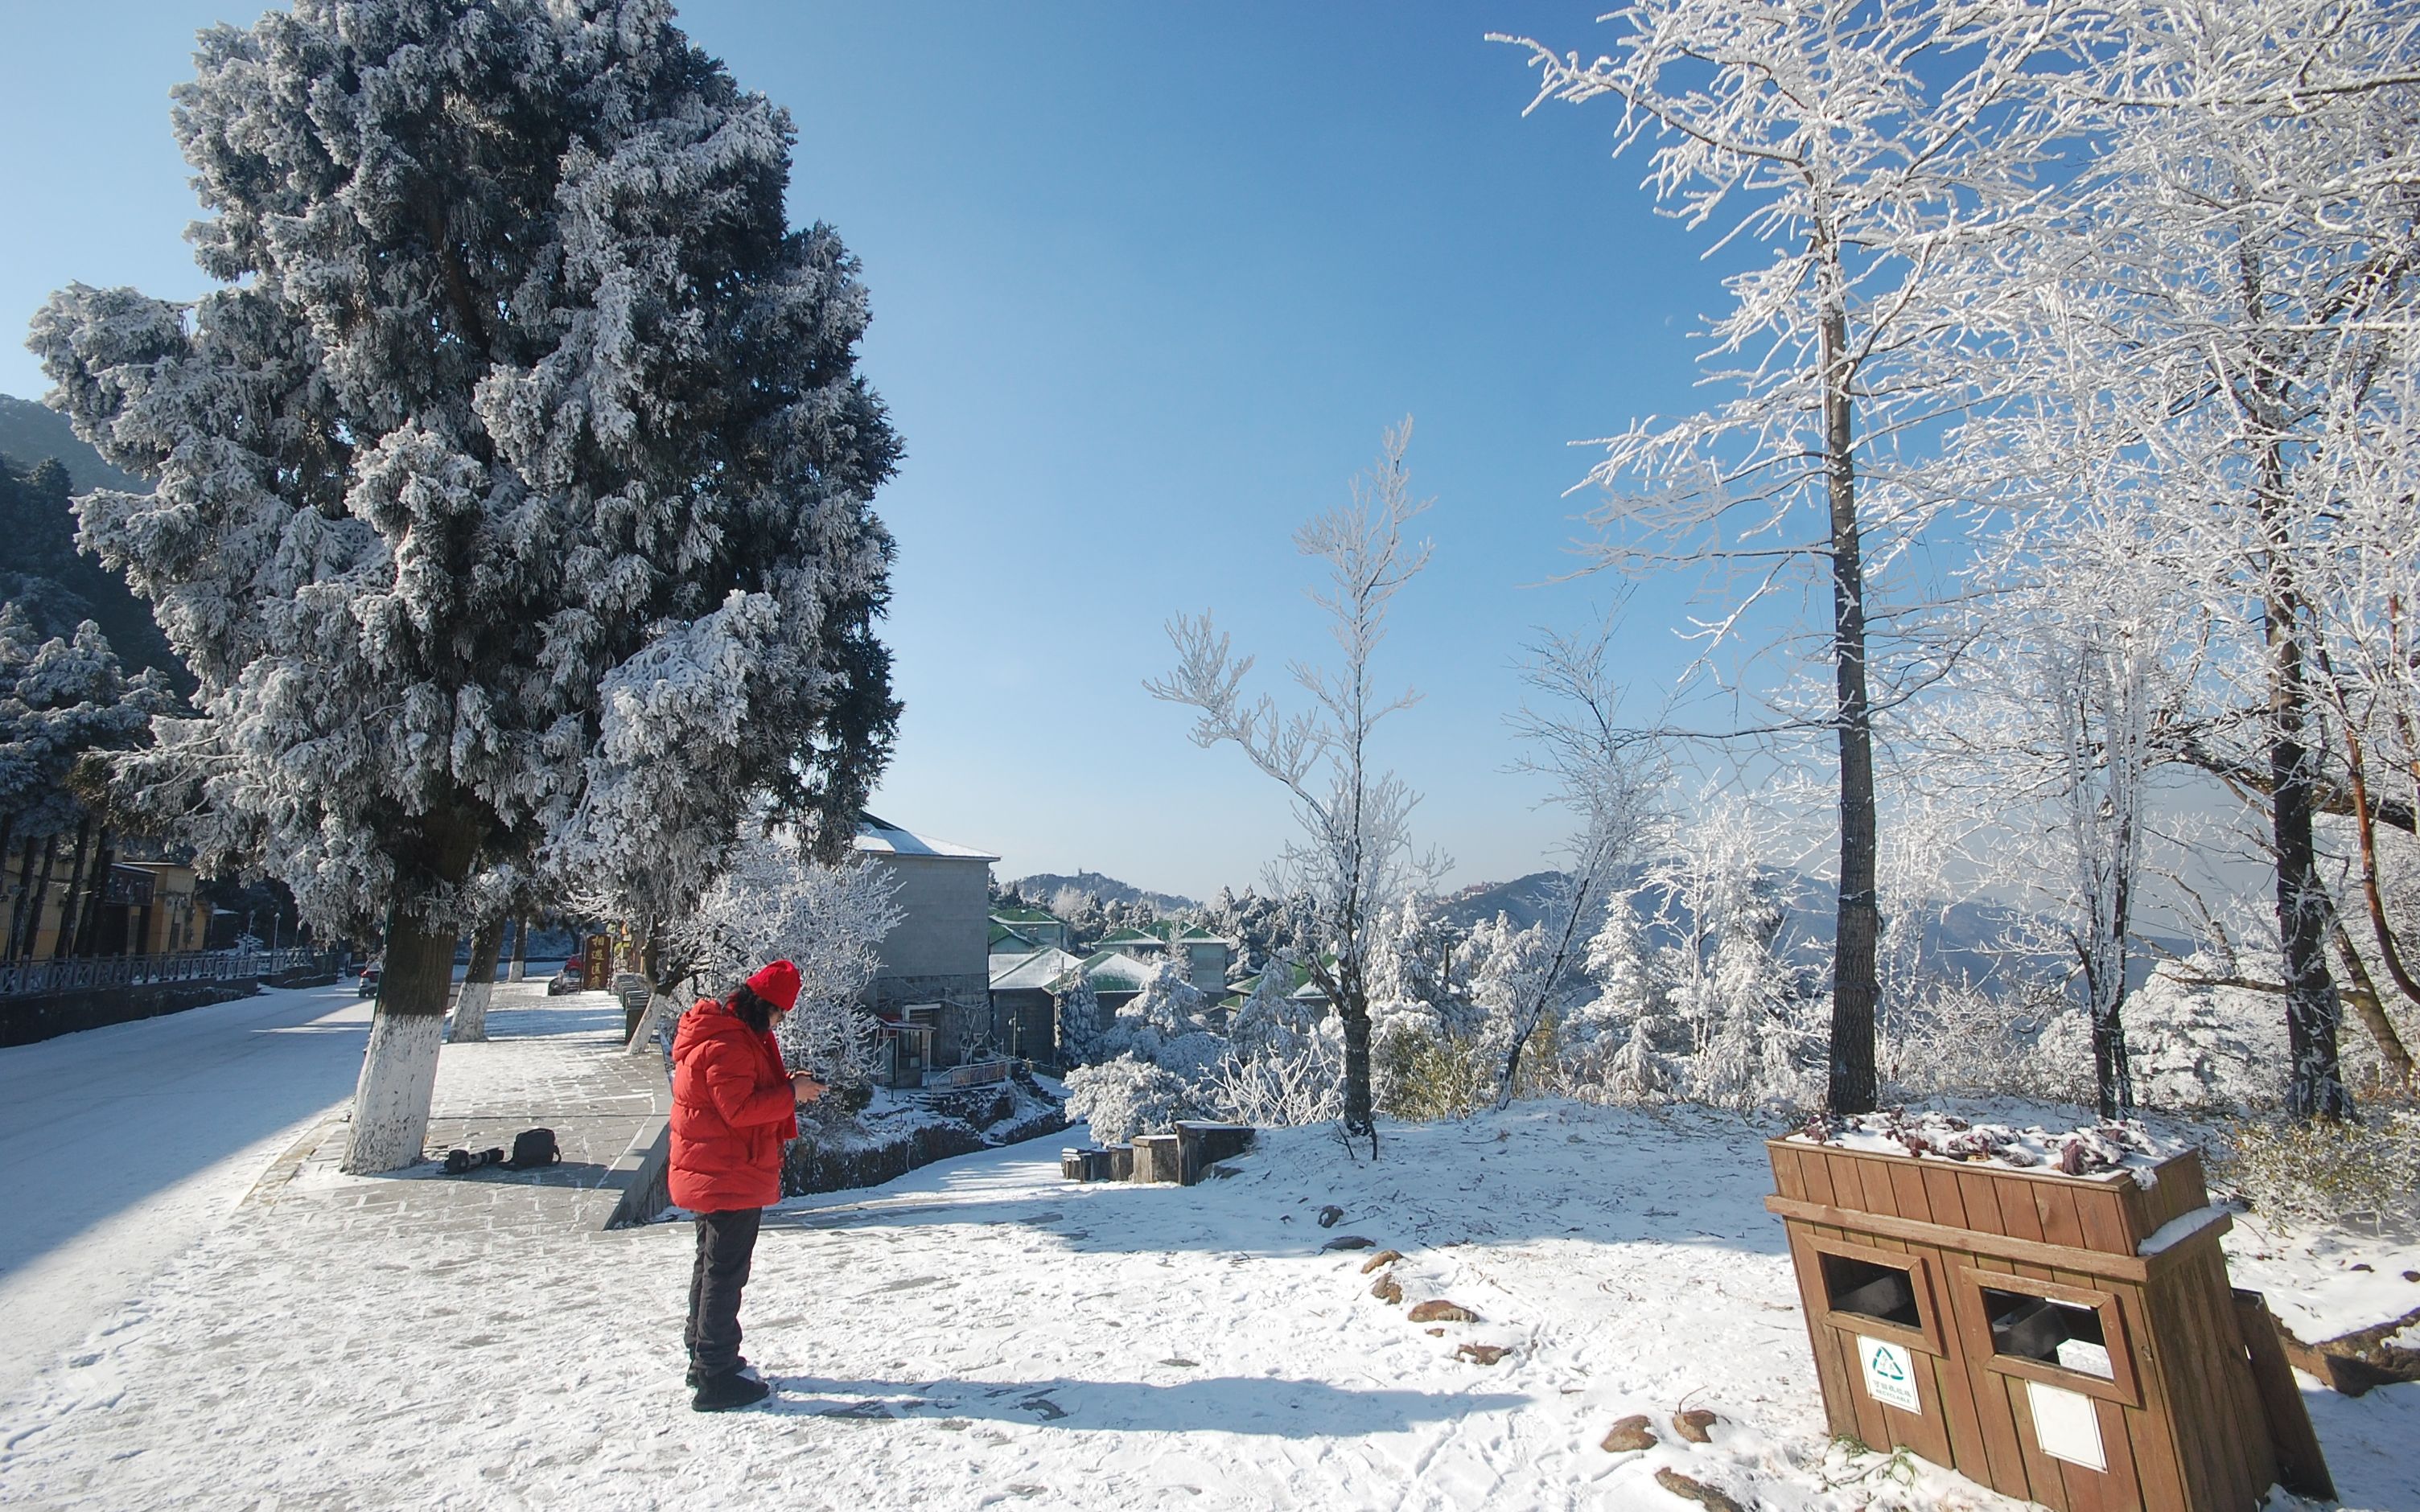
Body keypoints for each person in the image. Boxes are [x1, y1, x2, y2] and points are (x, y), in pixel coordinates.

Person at [670, 958, 822, 1411]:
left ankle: (705, 1355)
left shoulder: (728, 1034)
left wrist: (788, 1085)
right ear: (762, 1006)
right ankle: (715, 1374)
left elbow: (739, 1097)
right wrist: (791, 1095)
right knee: (725, 1270)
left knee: (713, 1264)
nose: (778, 1023)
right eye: (778, 1014)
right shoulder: (730, 1044)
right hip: (726, 1171)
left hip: (718, 1168)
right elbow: (739, 1110)